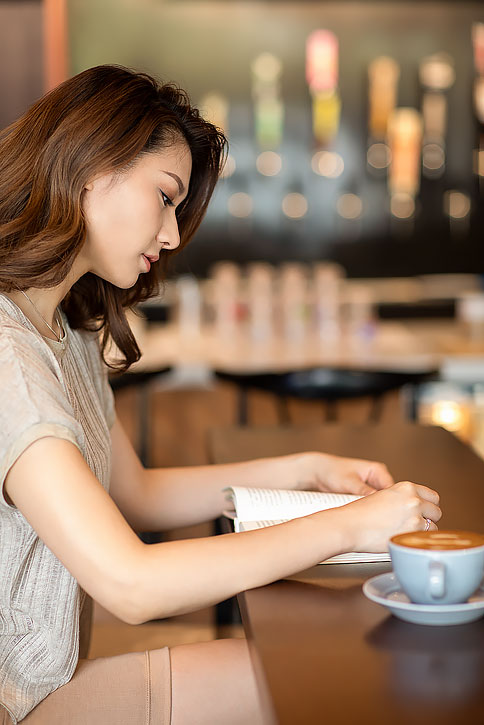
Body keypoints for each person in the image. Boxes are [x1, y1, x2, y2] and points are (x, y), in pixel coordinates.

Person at [0, 64, 441, 725]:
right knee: (319, 677)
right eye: (166, 196)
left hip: (48, 682)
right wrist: (351, 525)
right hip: (25, 703)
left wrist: (307, 471)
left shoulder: (63, 328)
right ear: (92, 167)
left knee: (316, 667)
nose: (173, 235)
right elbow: (132, 583)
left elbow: (140, 492)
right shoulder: (10, 357)